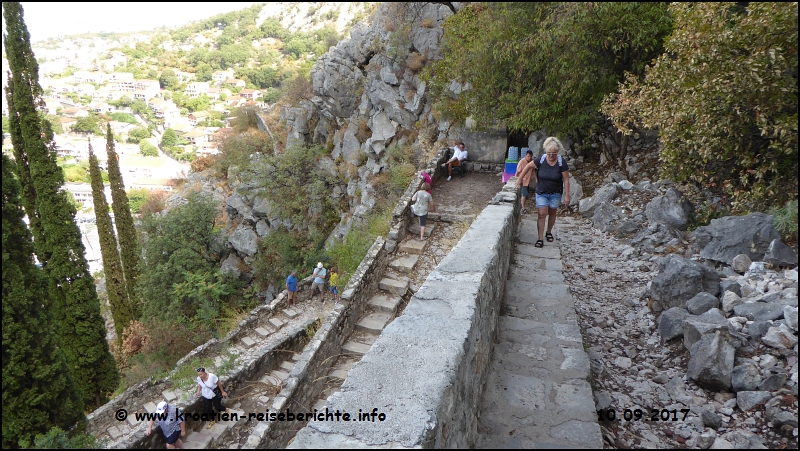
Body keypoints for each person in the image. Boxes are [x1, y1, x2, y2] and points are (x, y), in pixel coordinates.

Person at [515, 137, 570, 248]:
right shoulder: (541, 159)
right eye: (549, 153)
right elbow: (528, 166)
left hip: (556, 192)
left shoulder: (561, 162)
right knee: (541, 214)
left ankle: (548, 232)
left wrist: (567, 196)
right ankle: (540, 238)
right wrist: (520, 178)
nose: (551, 155)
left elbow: (566, 180)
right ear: (546, 151)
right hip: (541, 191)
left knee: (552, 212)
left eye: (553, 153)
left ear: (557, 152)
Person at [515, 150, 535, 214]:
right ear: (525, 156)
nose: (529, 158)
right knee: (524, 194)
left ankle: (523, 206)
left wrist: (536, 178)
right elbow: (518, 172)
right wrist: (516, 179)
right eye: (528, 156)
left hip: (528, 181)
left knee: (525, 195)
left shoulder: (532, 161)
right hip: (523, 181)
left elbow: (533, 170)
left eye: (530, 156)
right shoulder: (521, 162)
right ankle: (523, 208)